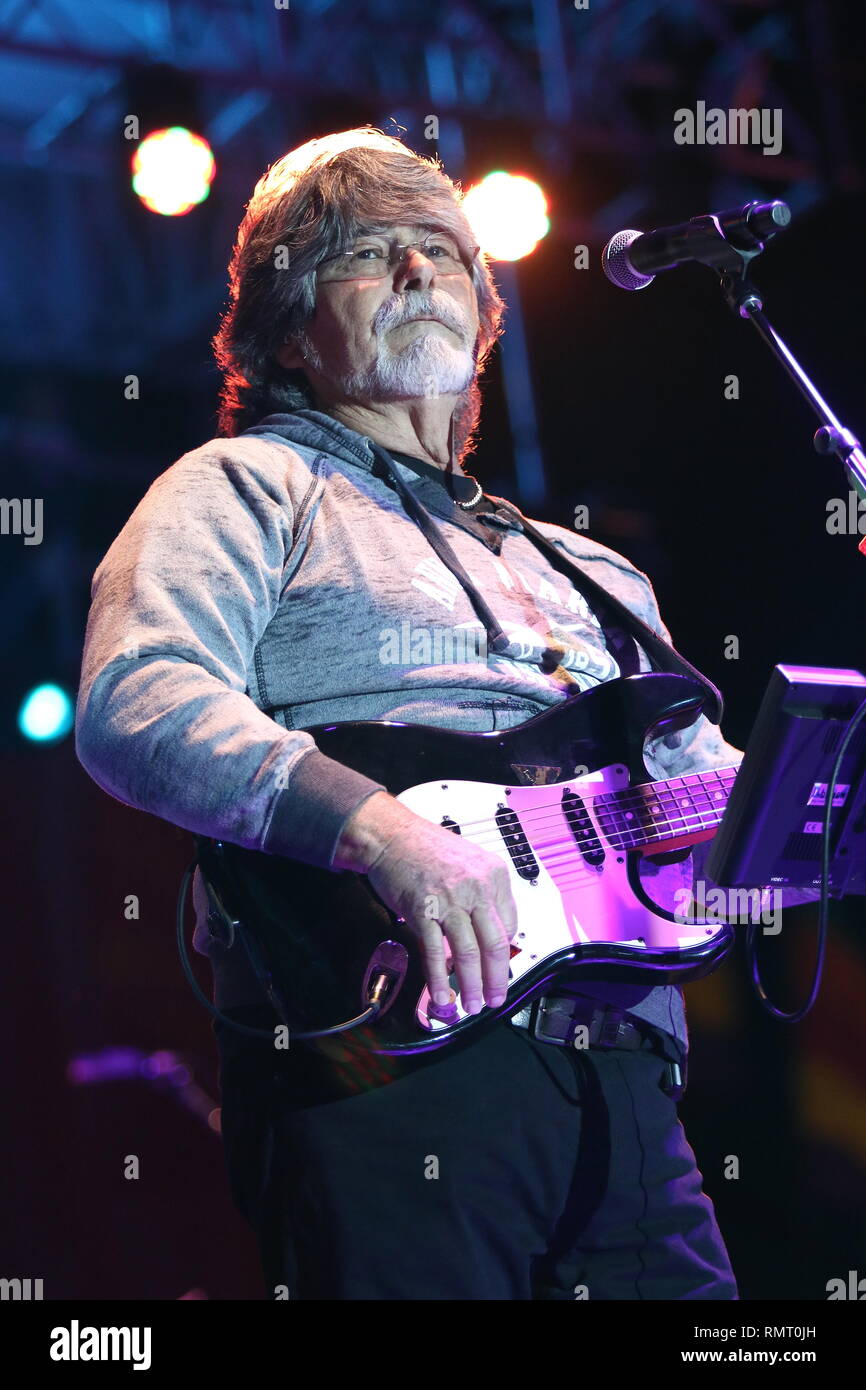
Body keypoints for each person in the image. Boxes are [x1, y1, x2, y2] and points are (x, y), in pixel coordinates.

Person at [76, 127, 744, 1300]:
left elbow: (726, 801)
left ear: (484, 316)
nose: (417, 272)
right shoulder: (244, 485)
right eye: (367, 254)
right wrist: (382, 831)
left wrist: (803, 815)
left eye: (438, 250)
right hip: (386, 1061)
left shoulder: (593, 571)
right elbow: (140, 695)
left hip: (625, 1086)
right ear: (287, 325)